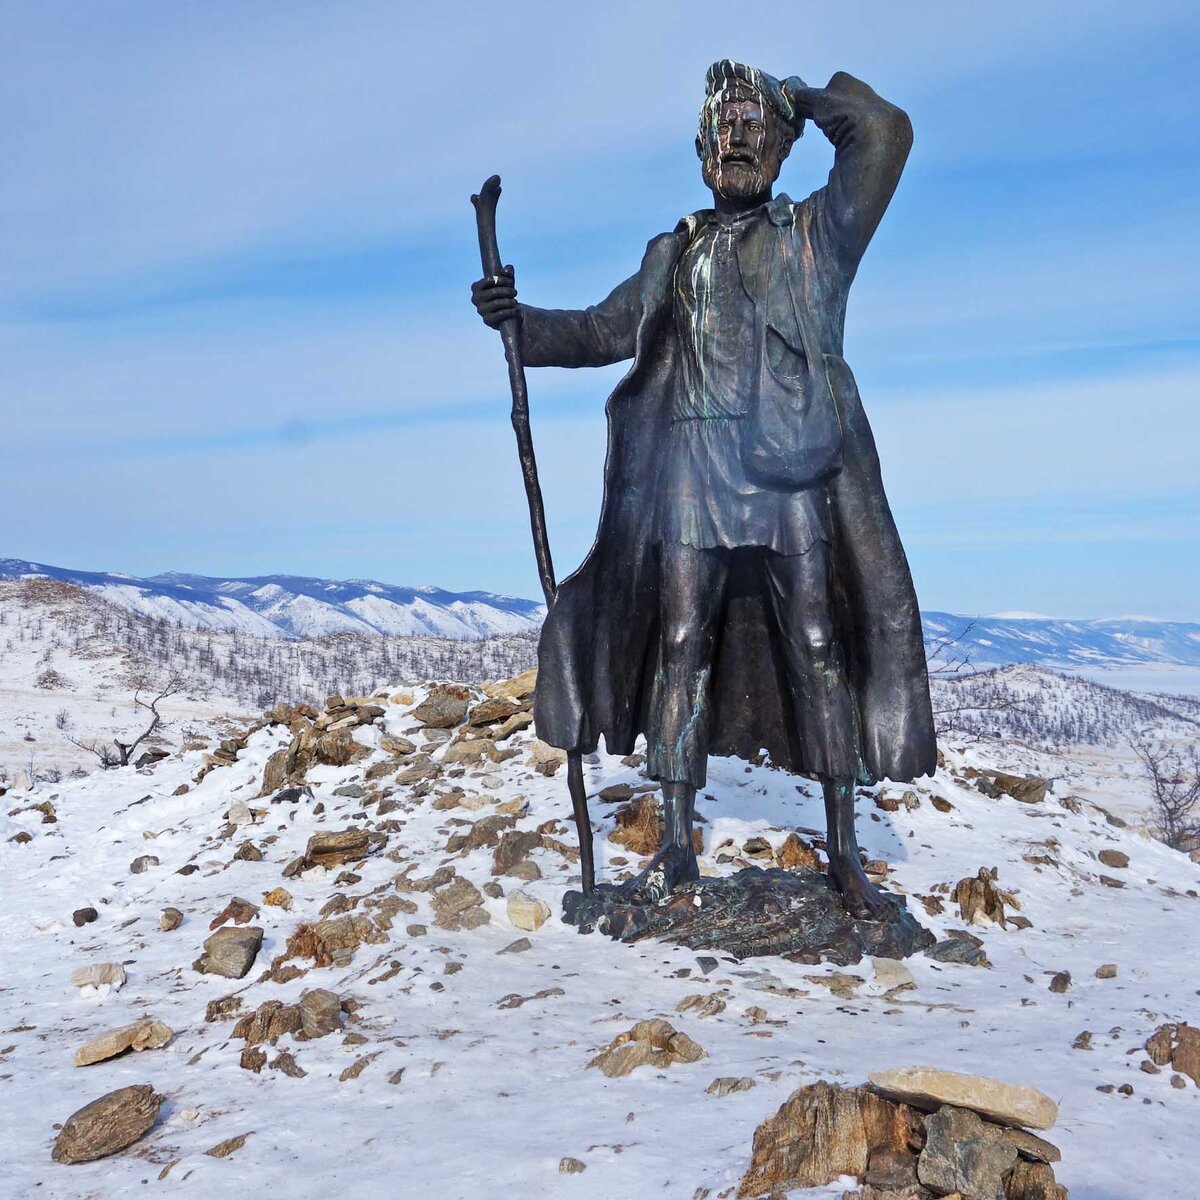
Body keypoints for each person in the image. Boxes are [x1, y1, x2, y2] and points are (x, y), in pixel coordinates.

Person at [471, 62, 935, 918]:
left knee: (820, 645)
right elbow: (604, 330)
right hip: (692, 474)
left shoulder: (818, 234)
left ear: (785, 143)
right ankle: (678, 848)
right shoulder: (674, 251)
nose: (737, 139)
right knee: (682, 641)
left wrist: (796, 95)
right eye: (723, 126)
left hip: (791, 472)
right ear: (698, 149)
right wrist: (518, 323)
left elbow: (886, 134)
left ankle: (844, 856)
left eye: (754, 125)